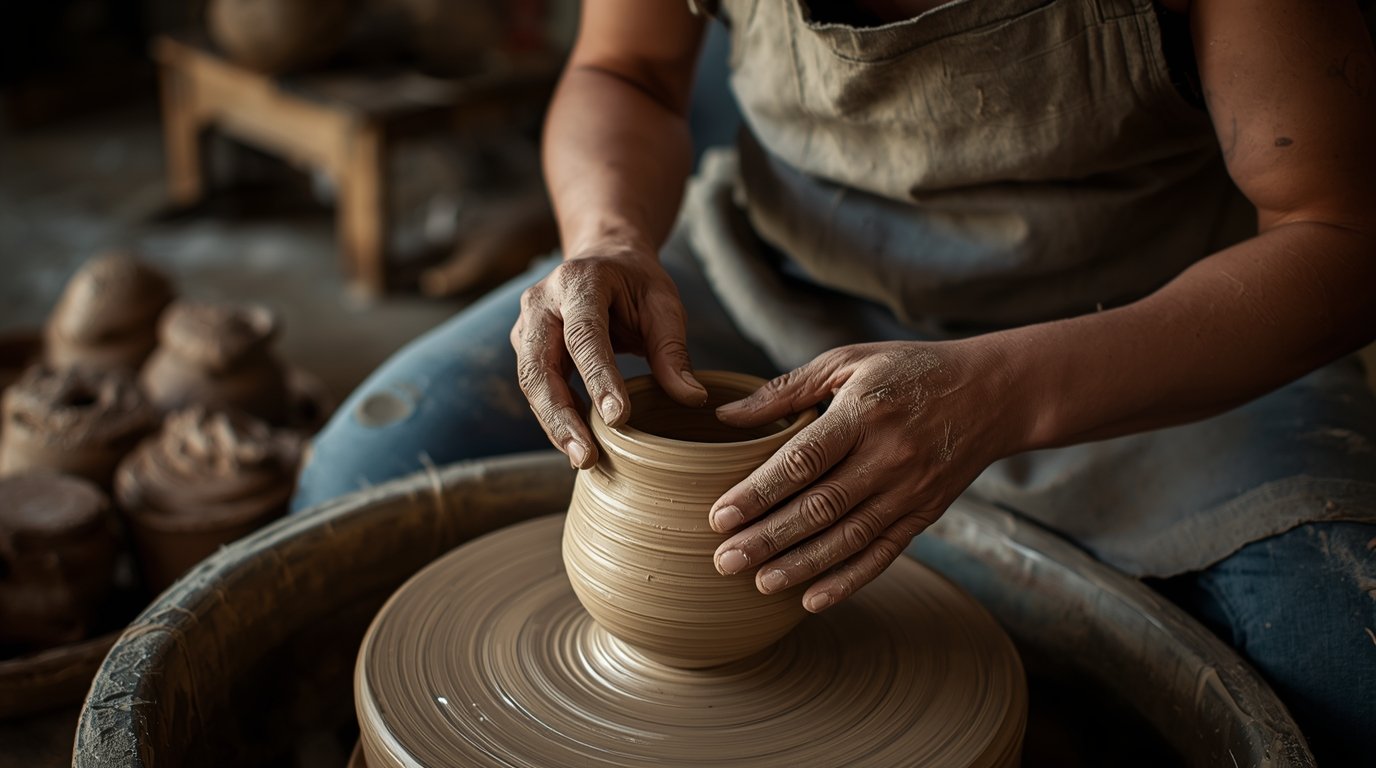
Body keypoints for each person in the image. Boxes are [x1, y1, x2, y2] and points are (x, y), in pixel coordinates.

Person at [293, 0, 1376, 760]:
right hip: (766, 280)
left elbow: (1338, 233)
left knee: (1344, 667)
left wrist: (999, 391)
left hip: (1144, 334)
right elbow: (624, 70)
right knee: (356, 479)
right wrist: (612, 236)